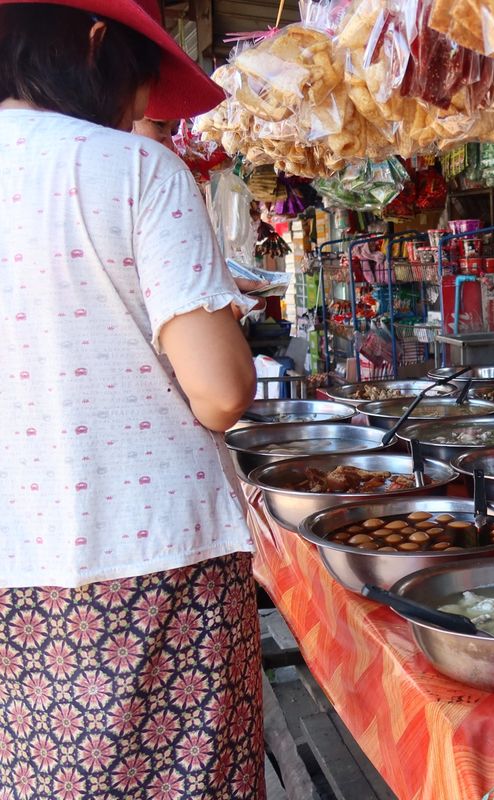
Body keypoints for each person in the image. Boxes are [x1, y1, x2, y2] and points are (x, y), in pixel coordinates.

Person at [0, 0, 265, 796]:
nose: (137, 111)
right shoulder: (134, 169)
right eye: (141, 86)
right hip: (154, 556)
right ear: (91, 45)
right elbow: (220, 394)